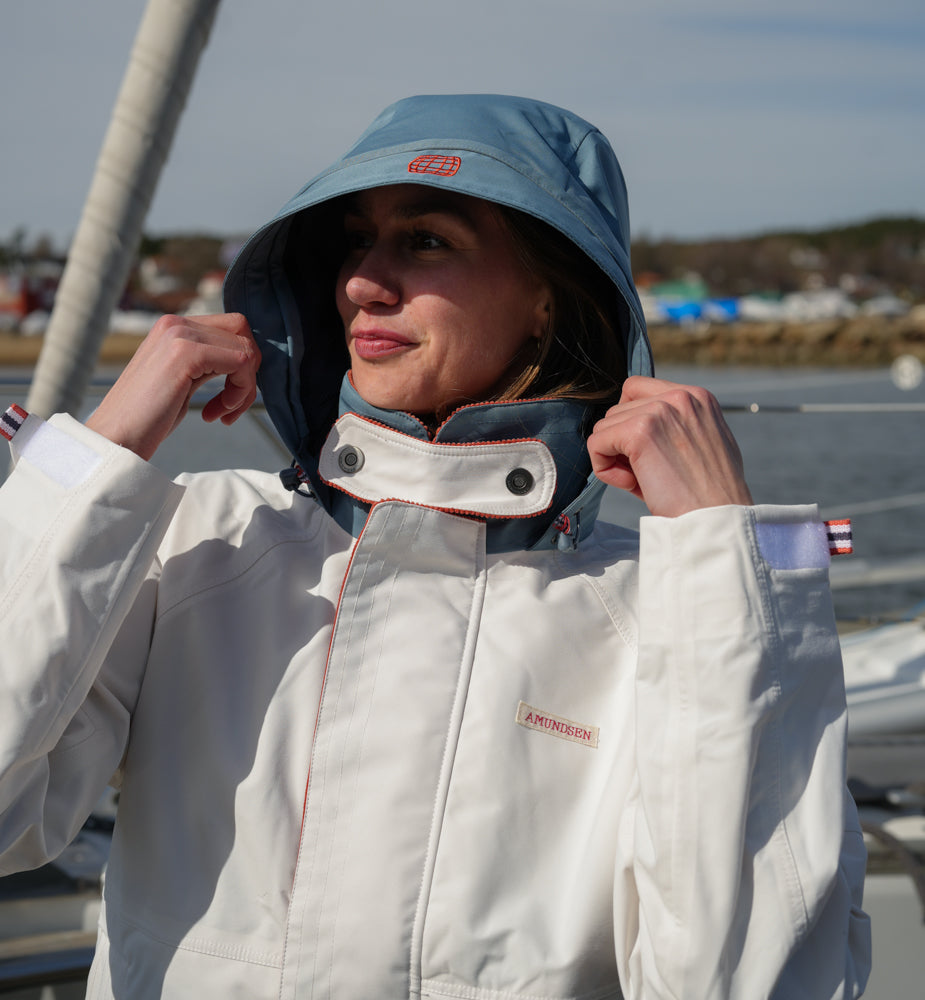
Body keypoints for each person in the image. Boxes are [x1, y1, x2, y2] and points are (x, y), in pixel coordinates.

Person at [0, 94, 870, 998]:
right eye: (354, 242)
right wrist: (92, 460)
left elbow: (752, 979)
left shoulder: (671, 612)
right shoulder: (201, 540)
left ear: (548, 298)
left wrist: (729, 563)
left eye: (425, 241)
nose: (362, 284)